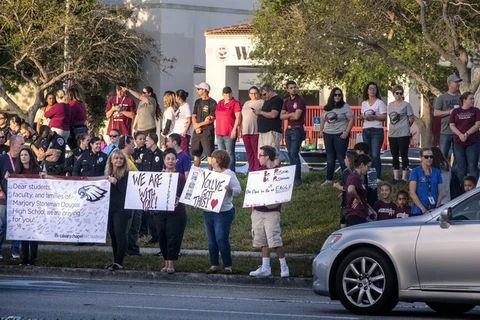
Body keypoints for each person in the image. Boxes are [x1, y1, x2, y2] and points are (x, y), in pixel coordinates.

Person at [249, 145, 290, 278]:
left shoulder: (279, 173)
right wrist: (252, 208)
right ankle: (265, 267)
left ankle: (284, 266)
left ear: (267, 157)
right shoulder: (259, 171)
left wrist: (276, 204)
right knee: (262, 240)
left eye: (260, 155)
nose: (258, 158)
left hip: (272, 212)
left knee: (274, 239)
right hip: (258, 211)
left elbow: (283, 191)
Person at [203, 150, 241, 275]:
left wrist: (230, 189)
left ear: (218, 160)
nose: (211, 160)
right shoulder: (211, 174)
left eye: (213, 158)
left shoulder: (229, 174)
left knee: (221, 238)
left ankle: (227, 265)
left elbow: (238, 190)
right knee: (211, 240)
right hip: (209, 211)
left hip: (223, 212)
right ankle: (214, 264)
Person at [152, 148, 187, 274]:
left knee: (173, 238)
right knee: (162, 237)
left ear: (176, 160)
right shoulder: (158, 177)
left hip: (177, 213)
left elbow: (186, 195)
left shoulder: (181, 177)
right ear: (164, 160)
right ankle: (165, 262)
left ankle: (171, 263)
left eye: (173, 159)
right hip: (160, 213)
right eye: (168, 159)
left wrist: (179, 199)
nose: (170, 161)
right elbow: (151, 194)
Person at [319, 87, 354, 186]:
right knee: (330, 157)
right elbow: (323, 119)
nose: (337, 96)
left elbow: (351, 119)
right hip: (328, 134)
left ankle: (347, 179)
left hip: (340, 134)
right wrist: (321, 130)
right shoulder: (327, 107)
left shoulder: (345, 106)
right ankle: (329, 179)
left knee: (341, 157)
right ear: (332, 96)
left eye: (339, 95)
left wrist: (347, 131)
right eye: (335, 95)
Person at [104, 149, 131, 271]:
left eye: (121, 158)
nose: (119, 160)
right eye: (116, 158)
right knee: (113, 235)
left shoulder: (127, 174)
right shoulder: (107, 173)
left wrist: (116, 182)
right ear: (111, 160)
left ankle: (120, 261)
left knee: (120, 234)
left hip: (122, 208)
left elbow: (129, 190)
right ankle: (115, 260)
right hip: (110, 208)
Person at [14, 148, 41, 265]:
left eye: (25, 155)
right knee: (24, 233)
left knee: (33, 234)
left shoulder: (36, 170)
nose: (23, 157)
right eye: (21, 155)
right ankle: (24, 258)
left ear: (30, 156)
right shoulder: (17, 172)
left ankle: (33, 258)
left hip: (35, 206)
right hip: (22, 207)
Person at [0, 135, 25, 259]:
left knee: (17, 225)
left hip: (19, 199)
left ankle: (15, 250)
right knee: (2, 226)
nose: (23, 147)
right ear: (13, 145)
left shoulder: (23, 159)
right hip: (4, 197)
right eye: (21, 144)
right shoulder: (2, 159)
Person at [449, 91, 480, 181]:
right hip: (459, 142)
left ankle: (475, 190)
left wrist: (466, 134)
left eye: (473, 98)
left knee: (472, 166)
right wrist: (460, 134)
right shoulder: (456, 111)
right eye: (471, 99)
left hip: (473, 142)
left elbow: (477, 125)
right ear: (464, 100)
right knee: (461, 167)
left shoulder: (476, 111)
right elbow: (451, 125)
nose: (473, 100)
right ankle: (461, 190)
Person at [359, 82, 387, 181]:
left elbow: (384, 117)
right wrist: (362, 117)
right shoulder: (364, 103)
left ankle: (377, 177)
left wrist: (374, 116)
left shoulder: (380, 102)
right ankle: (369, 175)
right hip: (366, 129)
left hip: (376, 130)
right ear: (367, 90)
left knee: (375, 154)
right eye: (370, 88)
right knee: (368, 154)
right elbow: (362, 115)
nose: (372, 90)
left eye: (374, 88)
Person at [280, 81, 306, 186]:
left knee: (294, 154)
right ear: (287, 89)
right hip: (289, 129)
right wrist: (291, 114)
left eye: (295, 87)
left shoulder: (300, 100)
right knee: (290, 154)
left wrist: (288, 114)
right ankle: (292, 177)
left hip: (297, 129)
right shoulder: (286, 101)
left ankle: (297, 179)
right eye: (291, 88)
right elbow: (281, 116)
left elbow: (297, 116)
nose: (293, 89)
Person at [388, 85, 414, 184]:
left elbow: (411, 118)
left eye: (400, 93)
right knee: (394, 155)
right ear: (393, 94)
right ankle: (395, 177)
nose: (398, 95)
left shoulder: (406, 105)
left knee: (404, 154)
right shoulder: (390, 105)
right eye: (397, 93)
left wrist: (406, 126)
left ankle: (404, 178)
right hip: (392, 133)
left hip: (403, 133)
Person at [140, 133, 164, 244]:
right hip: (146, 187)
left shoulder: (161, 155)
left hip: (157, 187)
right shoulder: (145, 154)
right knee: (148, 212)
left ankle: (160, 234)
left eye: (147, 140)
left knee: (156, 212)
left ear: (153, 141)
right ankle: (153, 235)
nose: (145, 142)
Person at [434, 74, 462, 159]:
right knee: (443, 156)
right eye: (456, 82)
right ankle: (444, 172)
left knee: (458, 156)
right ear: (449, 84)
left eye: (458, 82)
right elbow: (436, 113)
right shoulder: (442, 97)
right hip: (445, 132)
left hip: (458, 132)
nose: (458, 84)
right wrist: (450, 112)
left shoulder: (461, 97)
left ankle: (455, 172)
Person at [254, 84, 283, 166]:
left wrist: (261, 112)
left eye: (264, 94)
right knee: (263, 154)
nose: (263, 97)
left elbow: (273, 114)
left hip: (271, 130)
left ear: (270, 92)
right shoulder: (267, 101)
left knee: (272, 153)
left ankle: (275, 170)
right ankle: (266, 170)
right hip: (263, 130)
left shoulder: (277, 100)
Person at [215, 86, 242, 172]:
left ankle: (231, 172)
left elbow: (238, 117)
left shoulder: (235, 103)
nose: (228, 95)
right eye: (226, 93)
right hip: (219, 132)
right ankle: (221, 171)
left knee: (230, 153)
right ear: (223, 94)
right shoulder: (220, 103)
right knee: (220, 154)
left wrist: (234, 130)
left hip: (229, 132)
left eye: (229, 93)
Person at [409, 148, 442, 216]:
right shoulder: (415, 172)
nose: (429, 159)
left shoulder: (437, 172)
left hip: (433, 211)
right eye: (426, 157)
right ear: (421, 158)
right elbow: (412, 192)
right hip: (418, 211)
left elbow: (440, 192)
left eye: (431, 157)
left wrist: (437, 208)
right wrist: (423, 210)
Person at [191, 82, 216, 170]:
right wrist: (196, 126)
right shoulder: (197, 102)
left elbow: (211, 118)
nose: (197, 91)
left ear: (204, 90)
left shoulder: (212, 102)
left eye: (199, 89)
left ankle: (210, 172)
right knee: (196, 153)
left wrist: (199, 125)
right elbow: (194, 115)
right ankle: (195, 172)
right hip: (197, 131)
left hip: (207, 131)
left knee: (209, 154)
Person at [344, 154, 373, 227]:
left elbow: (362, 198)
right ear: (362, 165)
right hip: (355, 214)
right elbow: (350, 189)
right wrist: (357, 197)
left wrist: (371, 210)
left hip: (361, 213)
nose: (369, 169)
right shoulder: (355, 177)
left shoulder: (358, 177)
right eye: (368, 166)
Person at [241, 86, 263, 171]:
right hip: (246, 131)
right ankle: (251, 169)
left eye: (255, 93)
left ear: (258, 93)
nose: (253, 95)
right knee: (249, 153)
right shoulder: (246, 103)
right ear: (249, 94)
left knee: (256, 152)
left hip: (256, 131)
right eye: (251, 93)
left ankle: (257, 170)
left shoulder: (261, 102)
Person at [333, 150, 356, 228]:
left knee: (344, 223)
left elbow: (347, 187)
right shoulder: (357, 172)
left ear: (350, 160)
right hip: (354, 202)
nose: (344, 160)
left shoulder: (347, 172)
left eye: (346, 158)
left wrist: (338, 186)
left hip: (347, 203)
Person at [354, 142, 378, 206]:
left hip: (367, 196)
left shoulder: (366, 165)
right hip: (372, 194)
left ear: (361, 151)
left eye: (357, 152)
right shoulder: (371, 163)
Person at [173, 89, 193, 154]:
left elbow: (189, 120)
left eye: (176, 96)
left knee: (183, 150)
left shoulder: (186, 106)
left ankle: (186, 163)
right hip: (177, 132)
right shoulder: (180, 107)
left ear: (178, 97)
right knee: (177, 151)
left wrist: (185, 131)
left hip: (183, 133)